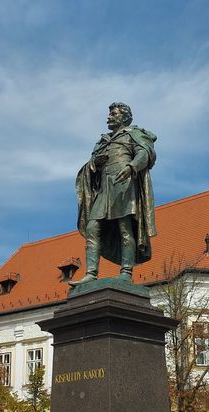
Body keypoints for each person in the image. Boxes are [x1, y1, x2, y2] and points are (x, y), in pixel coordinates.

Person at [70, 102, 157, 286]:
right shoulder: (102, 141)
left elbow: (145, 153)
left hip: (124, 185)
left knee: (125, 229)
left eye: (114, 114)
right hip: (104, 188)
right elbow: (89, 167)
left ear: (124, 117)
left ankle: (126, 272)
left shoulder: (134, 134)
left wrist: (132, 166)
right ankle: (91, 274)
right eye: (109, 114)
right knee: (92, 228)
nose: (109, 117)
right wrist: (94, 163)